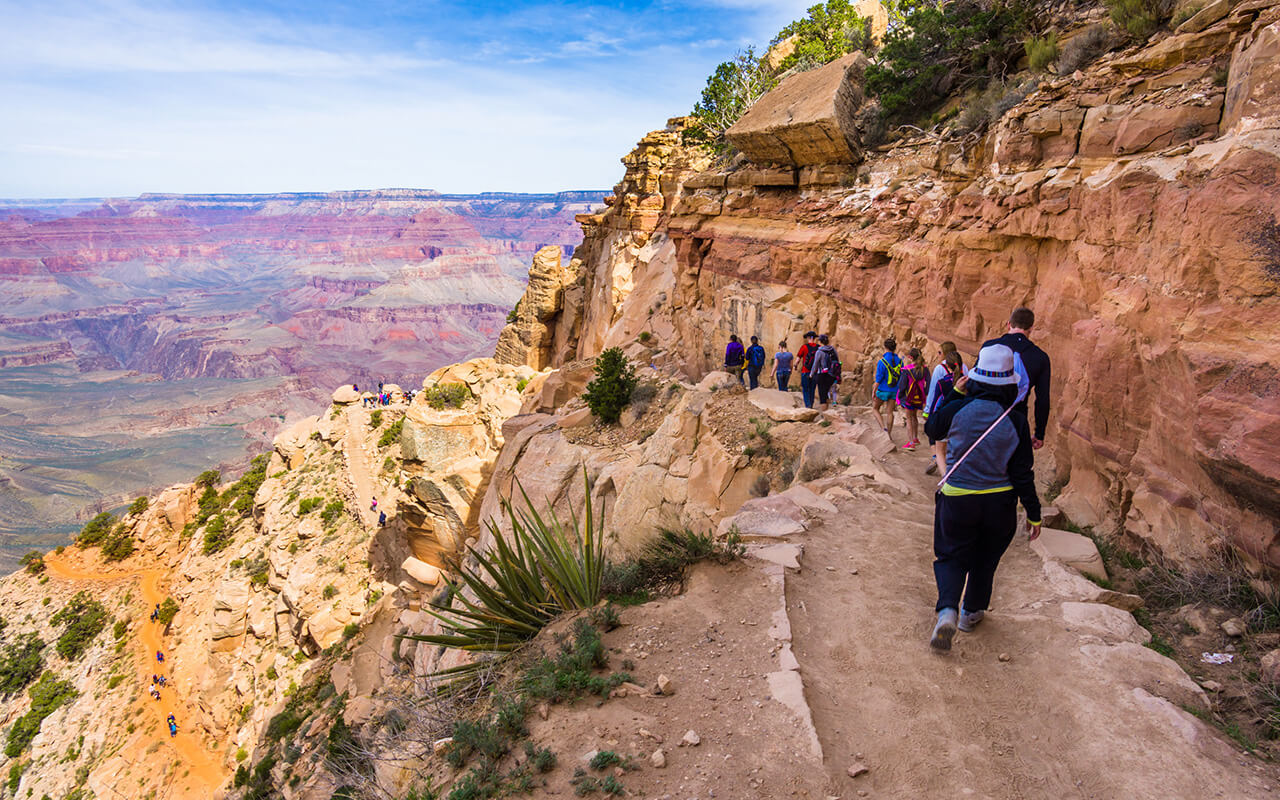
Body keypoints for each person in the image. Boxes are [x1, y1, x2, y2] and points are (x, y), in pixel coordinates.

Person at [923, 344, 1042, 652]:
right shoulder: (1015, 420)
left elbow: (932, 428)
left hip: (958, 497)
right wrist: (1033, 513)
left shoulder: (959, 408)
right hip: (999, 502)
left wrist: (955, 394)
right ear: (1009, 384)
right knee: (985, 559)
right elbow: (1022, 473)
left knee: (951, 555)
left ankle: (947, 608)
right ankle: (970, 612)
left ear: (974, 378)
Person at [982, 307, 1050, 450]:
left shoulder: (988, 347)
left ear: (1008, 324)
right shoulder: (1040, 357)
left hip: (984, 417)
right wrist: (1039, 433)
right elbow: (1042, 400)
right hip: (1016, 420)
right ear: (1031, 328)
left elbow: (975, 382)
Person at [924, 348, 965, 475]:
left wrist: (931, 418)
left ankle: (944, 479)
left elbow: (936, 401)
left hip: (945, 419)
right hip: (963, 420)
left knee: (940, 452)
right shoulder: (967, 381)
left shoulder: (943, 382)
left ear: (947, 365)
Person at [896, 347, 929, 451]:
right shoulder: (925, 369)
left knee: (909, 419)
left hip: (908, 397)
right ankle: (915, 438)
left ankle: (910, 443)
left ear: (910, 357)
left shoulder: (906, 370)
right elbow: (928, 383)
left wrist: (900, 398)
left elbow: (902, 385)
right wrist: (925, 394)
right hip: (919, 396)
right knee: (914, 416)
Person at [872, 338, 903, 438]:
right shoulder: (900, 361)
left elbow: (878, 379)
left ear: (885, 347)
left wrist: (874, 390)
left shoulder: (882, 361)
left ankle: (883, 428)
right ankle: (889, 434)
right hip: (894, 390)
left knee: (875, 408)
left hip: (882, 390)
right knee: (890, 412)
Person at [809, 334, 841, 412]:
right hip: (832, 375)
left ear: (820, 341)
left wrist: (811, 374)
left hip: (822, 375)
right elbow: (837, 361)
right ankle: (827, 412)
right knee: (827, 393)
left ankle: (825, 416)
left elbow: (815, 365)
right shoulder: (832, 349)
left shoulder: (819, 352)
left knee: (822, 396)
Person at [796, 331, 819, 408]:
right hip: (815, 372)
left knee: (805, 389)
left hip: (805, 371)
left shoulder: (804, 347)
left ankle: (807, 405)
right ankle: (811, 404)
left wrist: (795, 365)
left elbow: (798, 357)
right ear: (814, 338)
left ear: (808, 338)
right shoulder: (818, 347)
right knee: (812, 389)